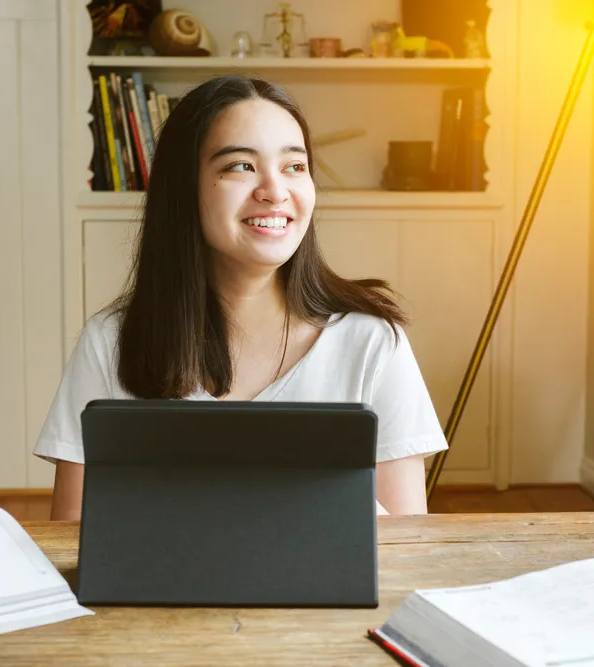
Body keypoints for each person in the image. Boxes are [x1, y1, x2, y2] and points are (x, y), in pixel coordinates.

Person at [34, 74, 448, 520]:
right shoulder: (110, 342)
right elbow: (71, 543)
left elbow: (408, 546)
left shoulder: (372, 343)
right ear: (184, 189)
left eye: (294, 166)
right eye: (240, 166)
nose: (275, 191)